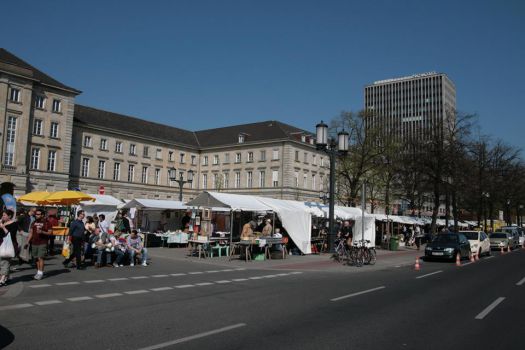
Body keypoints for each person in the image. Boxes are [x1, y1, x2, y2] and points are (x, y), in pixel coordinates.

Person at [27, 209, 51, 280]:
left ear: (42, 215)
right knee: (36, 258)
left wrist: (42, 232)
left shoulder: (47, 223)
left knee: (41, 257)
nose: (36, 215)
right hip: (34, 242)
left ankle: (40, 273)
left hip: (42, 242)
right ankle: (38, 272)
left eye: (38, 214)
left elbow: (50, 232)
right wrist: (27, 241)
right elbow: (31, 233)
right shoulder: (34, 222)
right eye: (36, 214)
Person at [0, 210, 19, 286]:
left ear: (9, 216)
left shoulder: (14, 224)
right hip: (1, 244)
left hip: (9, 244)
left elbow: (11, 235)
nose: (3, 217)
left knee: (5, 262)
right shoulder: (3, 223)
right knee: (2, 262)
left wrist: (3, 227)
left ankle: (2, 279)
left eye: (4, 215)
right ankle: (5, 278)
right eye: (2, 215)